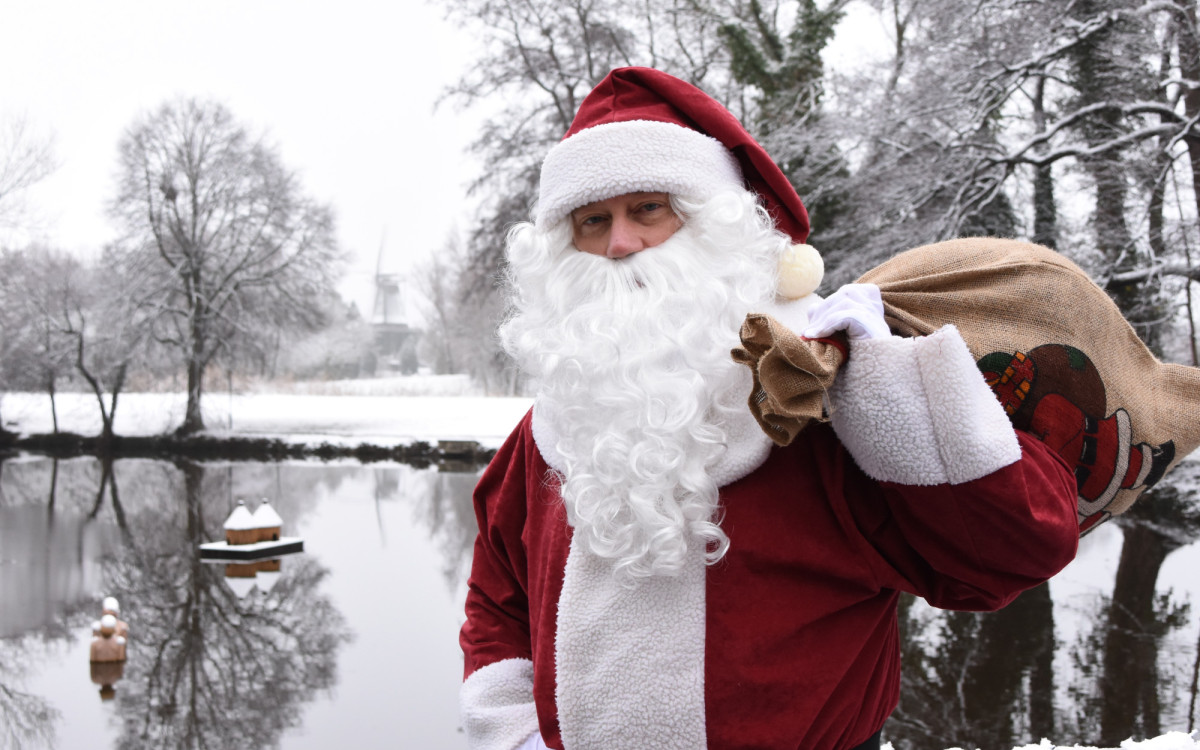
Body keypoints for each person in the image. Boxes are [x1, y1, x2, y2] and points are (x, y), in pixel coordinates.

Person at [458, 67, 1079, 750]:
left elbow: (1010, 553)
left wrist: (888, 385)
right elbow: (497, 597)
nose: (620, 244)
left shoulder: (819, 395)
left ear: (711, 223)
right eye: (594, 220)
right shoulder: (556, 424)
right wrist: (512, 733)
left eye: (648, 210)